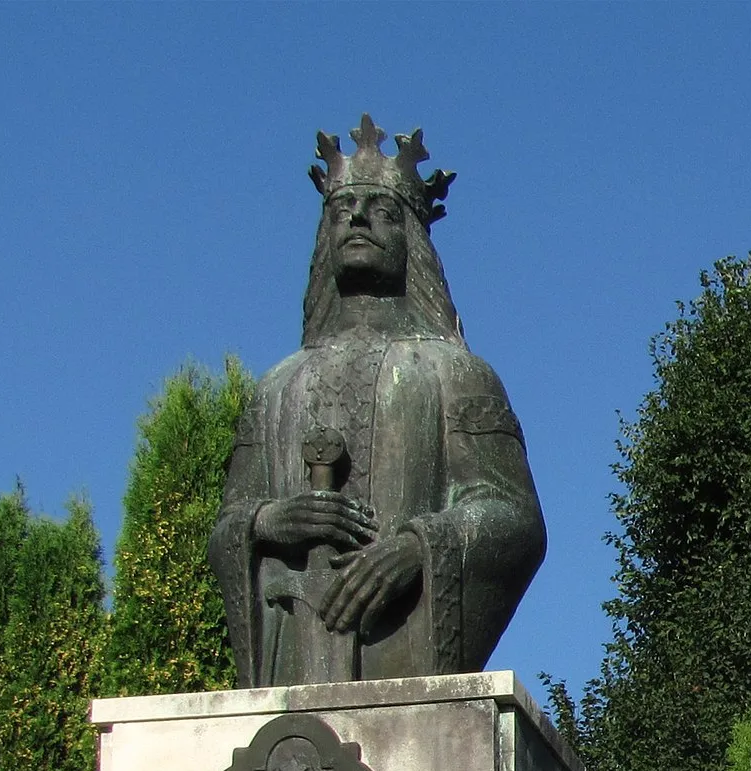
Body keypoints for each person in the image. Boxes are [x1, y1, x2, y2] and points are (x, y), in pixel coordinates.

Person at [209, 115, 544, 686]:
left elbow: (515, 519)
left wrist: (418, 549)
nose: (357, 219)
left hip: (404, 645)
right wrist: (270, 521)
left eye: (382, 211)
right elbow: (226, 526)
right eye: (341, 213)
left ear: (411, 241)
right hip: (293, 649)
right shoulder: (273, 389)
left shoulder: (459, 374)